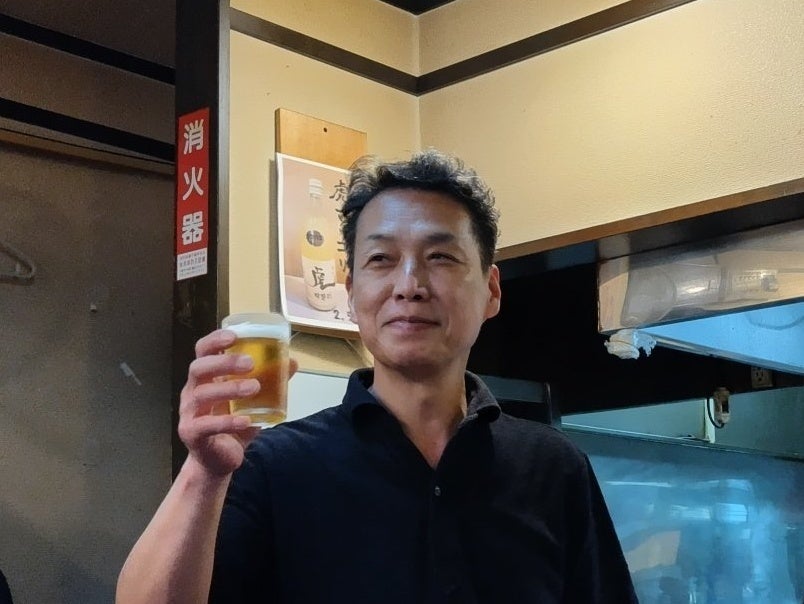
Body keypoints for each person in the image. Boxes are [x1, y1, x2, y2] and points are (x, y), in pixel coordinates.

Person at [117, 149, 637, 603]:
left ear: (492, 290)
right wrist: (203, 473)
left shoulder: (554, 468)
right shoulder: (272, 466)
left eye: (440, 256)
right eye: (381, 259)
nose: (409, 284)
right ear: (351, 293)